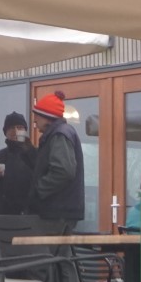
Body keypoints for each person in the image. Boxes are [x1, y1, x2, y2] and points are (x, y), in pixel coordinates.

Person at [27, 91, 85, 231]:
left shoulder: (59, 135)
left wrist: (39, 189)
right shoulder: (61, 133)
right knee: (58, 252)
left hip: (57, 212)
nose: (34, 120)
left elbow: (63, 171)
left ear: (47, 117)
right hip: (61, 210)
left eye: (37, 115)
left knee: (53, 252)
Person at [0, 112, 37, 216]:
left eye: (20, 127)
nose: (16, 131)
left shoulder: (35, 155)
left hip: (30, 215)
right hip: (3, 215)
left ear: (25, 130)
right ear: (5, 132)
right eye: (11, 128)